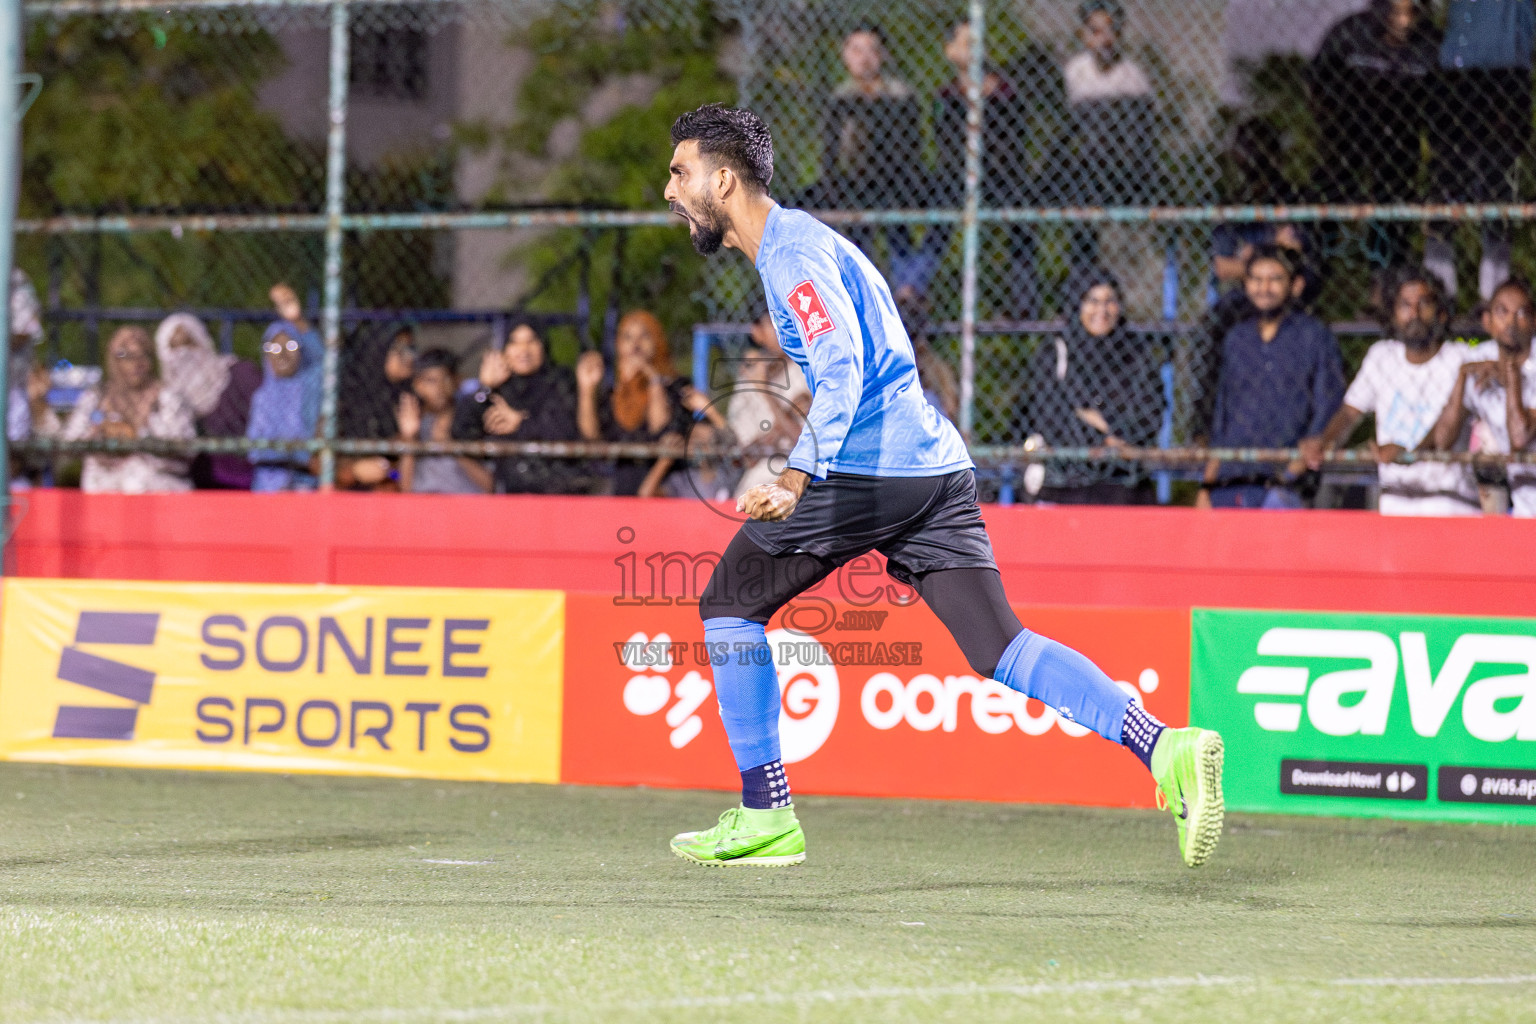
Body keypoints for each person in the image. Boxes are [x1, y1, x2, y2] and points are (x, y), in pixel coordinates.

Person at [661, 103, 1224, 869]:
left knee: (729, 601)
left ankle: (767, 814)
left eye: (679, 171)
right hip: (934, 469)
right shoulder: (800, 245)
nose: (670, 189)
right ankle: (1163, 745)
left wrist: (798, 474)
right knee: (998, 645)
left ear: (722, 180)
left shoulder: (791, 255)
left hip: (870, 469)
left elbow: (842, 368)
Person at [1300, 271, 1482, 517]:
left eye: (1424, 304)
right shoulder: (1381, 356)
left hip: (1452, 503)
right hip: (1394, 503)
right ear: (1392, 314)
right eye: (1405, 305)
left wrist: (1406, 454)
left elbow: (1444, 435)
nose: (1414, 314)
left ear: (1441, 311)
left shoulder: (1461, 357)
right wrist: (1325, 441)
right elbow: (1349, 412)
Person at [1200, 245, 1345, 509]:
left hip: (1284, 489)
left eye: (1275, 279)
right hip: (1229, 483)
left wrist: (1291, 473)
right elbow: (1223, 417)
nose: (1263, 288)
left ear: (1296, 285)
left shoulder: (1314, 337)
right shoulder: (1236, 339)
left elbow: (1329, 408)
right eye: (1255, 279)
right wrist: (1206, 485)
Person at [1309, 0, 1437, 273]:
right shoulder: (1352, 31)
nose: (1404, 22)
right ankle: (1314, 270)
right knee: (1330, 195)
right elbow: (1317, 79)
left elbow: (1440, 99)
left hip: (1399, 137)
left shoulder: (1429, 41)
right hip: (1348, 131)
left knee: (1392, 208)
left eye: (1411, 13)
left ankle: (1384, 282)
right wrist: (1330, 121)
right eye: (1397, 14)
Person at [1017, 270, 1163, 505]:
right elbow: (1050, 417)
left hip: (1122, 483)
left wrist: (1100, 422)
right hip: (1067, 483)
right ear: (1077, 304)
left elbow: (1150, 415)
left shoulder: (1135, 354)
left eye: (1110, 301)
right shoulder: (1056, 352)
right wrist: (1107, 437)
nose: (1101, 311)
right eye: (1092, 301)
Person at [1424, 0, 1535, 304]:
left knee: (1498, 185)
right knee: (1446, 181)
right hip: (1455, 73)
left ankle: (1495, 294)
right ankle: (1438, 290)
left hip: (1505, 71)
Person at [816, 27, 926, 290]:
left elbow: (912, 147)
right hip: (853, 184)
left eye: (872, 50)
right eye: (856, 50)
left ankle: (907, 295)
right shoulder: (840, 99)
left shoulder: (900, 96)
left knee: (899, 240)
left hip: (896, 184)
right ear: (845, 56)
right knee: (855, 244)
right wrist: (834, 189)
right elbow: (830, 153)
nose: (864, 58)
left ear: (883, 56)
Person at [1059, 0, 1158, 285]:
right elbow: (1065, 131)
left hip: (1119, 169)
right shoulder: (1074, 73)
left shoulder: (1133, 78)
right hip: (1082, 170)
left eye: (1110, 30)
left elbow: (1139, 143)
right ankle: (1080, 282)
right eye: (1095, 31)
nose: (1103, 39)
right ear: (1083, 35)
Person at [576, 310, 721, 497]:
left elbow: (659, 429)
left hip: (664, 486)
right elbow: (591, 435)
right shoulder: (613, 393)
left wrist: (653, 380)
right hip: (621, 486)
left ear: (657, 341)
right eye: (628, 338)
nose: (635, 345)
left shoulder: (677, 387)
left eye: (644, 336)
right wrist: (586, 390)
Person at [35, 325, 195, 493]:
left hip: (156, 487)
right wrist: (100, 433)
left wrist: (137, 437)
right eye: (125, 355)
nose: (136, 363)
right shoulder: (96, 398)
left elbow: (186, 450)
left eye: (143, 354)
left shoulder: (167, 398)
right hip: (103, 486)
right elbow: (68, 442)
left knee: (137, 473)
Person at [1426, 278, 1536, 516]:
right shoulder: (1479, 358)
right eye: (1502, 312)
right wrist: (1461, 378)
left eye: (1521, 313)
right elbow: (1443, 440)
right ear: (1487, 321)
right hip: (1524, 499)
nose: (1511, 322)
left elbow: (1520, 436)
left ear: (1534, 321)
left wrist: (1509, 374)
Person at [452, 320, 579, 494]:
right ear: (504, 350)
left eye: (531, 341)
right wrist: (485, 389)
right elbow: (461, 434)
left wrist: (521, 423)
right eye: (514, 342)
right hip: (510, 495)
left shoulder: (561, 381)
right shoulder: (500, 390)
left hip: (560, 492)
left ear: (543, 345)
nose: (523, 350)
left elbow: (569, 431)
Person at [154, 313, 261, 490]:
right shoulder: (163, 397)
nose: (183, 353)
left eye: (189, 342)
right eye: (174, 347)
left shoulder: (240, 375)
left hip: (250, 481)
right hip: (197, 488)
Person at [728, 311, 810, 499]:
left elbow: (803, 441)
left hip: (799, 471)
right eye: (775, 325)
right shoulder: (747, 380)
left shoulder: (805, 372)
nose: (786, 331)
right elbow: (747, 457)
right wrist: (786, 417)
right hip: (758, 475)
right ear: (757, 333)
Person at [396, 348, 492, 495]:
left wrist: (453, 448)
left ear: (457, 381)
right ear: (418, 385)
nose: (439, 388)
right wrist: (409, 437)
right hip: (424, 506)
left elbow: (490, 486)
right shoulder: (414, 423)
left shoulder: (473, 421)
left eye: (445, 379)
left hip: (467, 506)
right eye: (431, 381)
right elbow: (405, 487)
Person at [246, 318, 323, 492]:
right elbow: (255, 450)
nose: (282, 354)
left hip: (305, 482)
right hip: (269, 485)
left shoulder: (311, 386)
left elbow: (324, 361)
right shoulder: (262, 397)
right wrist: (295, 454)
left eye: (291, 347)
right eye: (274, 348)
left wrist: (298, 320)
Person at [338, 319, 417, 490]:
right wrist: (353, 471)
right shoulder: (345, 397)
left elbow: (403, 473)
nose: (410, 357)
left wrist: (390, 474)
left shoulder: (412, 397)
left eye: (412, 349)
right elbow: (317, 464)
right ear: (379, 350)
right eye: (400, 350)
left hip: (391, 493)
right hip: (347, 495)